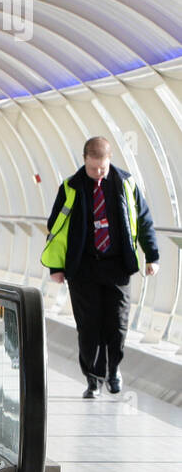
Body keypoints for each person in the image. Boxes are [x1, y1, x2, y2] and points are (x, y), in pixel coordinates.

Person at [42, 136, 159, 398]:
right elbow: (56, 228)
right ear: (84, 160)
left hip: (118, 266)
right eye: (93, 168)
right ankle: (93, 379)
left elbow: (143, 220)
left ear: (109, 161)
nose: (97, 174)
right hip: (83, 268)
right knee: (89, 326)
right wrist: (56, 268)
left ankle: (114, 369)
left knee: (117, 324)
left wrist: (152, 256)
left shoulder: (125, 183)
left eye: (102, 169)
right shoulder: (71, 187)